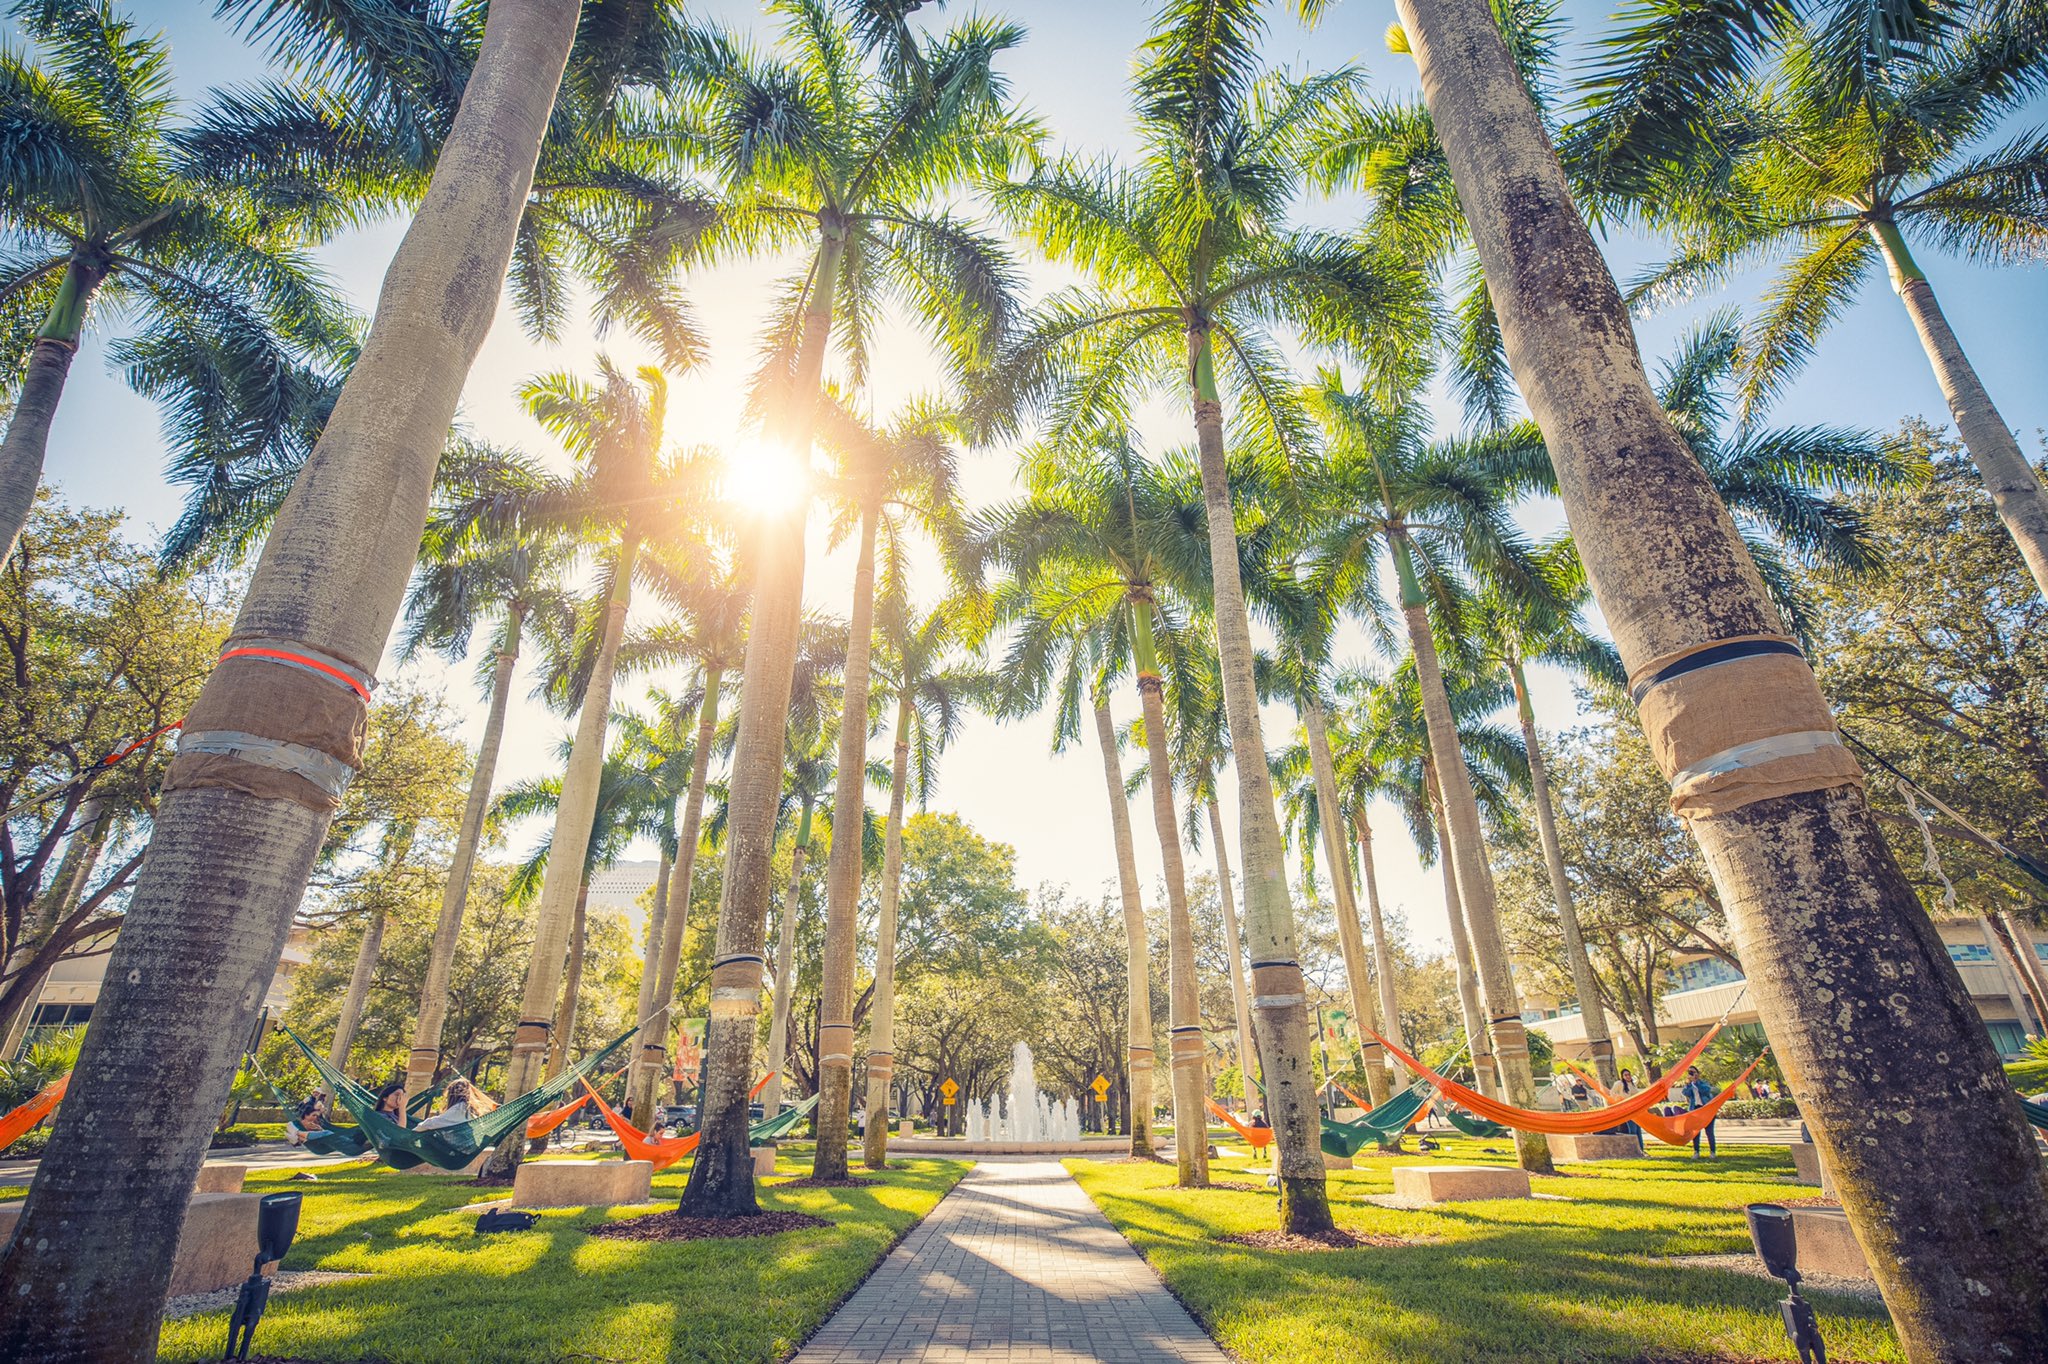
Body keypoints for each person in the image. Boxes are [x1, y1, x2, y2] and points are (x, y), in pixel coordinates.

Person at [416, 1077, 496, 1131]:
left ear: (451, 1094)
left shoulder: (458, 1109)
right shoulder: (471, 1110)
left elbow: (432, 1123)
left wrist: (414, 1130)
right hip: (465, 1149)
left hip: (452, 1149)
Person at [1680, 1065, 1718, 1157]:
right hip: (1695, 1110)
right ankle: (1696, 1152)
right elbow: (1685, 1093)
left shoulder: (1703, 1083)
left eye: (1694, 1072)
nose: (1692, 1074)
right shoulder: (1689, 1085)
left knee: (1709, 1132)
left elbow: (1706, 1090)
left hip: (1706, 1110)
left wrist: (1696, 1082)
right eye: (1690, 1072)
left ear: (1698, 1073)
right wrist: (1689, 1083)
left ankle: (1712, 1152)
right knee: (1695, 1132)